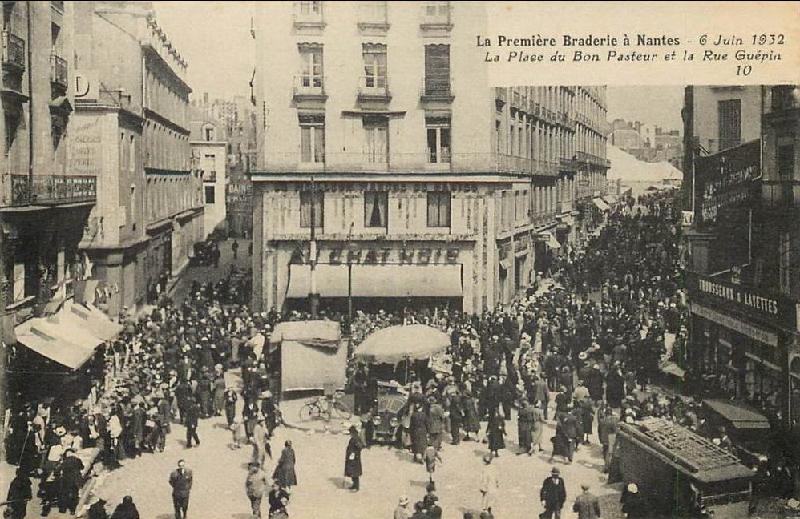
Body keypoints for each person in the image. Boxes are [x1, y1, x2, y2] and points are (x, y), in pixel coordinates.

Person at [58, 448, 85, 514]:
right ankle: (73, 510)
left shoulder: (65, 461)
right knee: (74, 494)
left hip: (66, 480)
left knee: (64, 494)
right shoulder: (77, 460)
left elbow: (58, 469)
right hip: (75, 480)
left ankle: (62, 509)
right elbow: (82, 467)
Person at [344, 425, 364, 491]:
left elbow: (360, 446)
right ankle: (354, 485)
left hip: (355, 459)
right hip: (351, 458)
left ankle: (356, 486)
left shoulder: (356, 438)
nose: (350, 434)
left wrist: (354, 453)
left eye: (351, 433)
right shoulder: (353, 438)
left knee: (355, 473)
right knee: (352, 472)